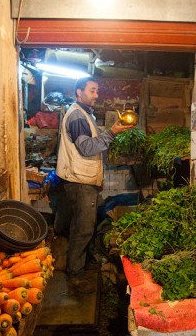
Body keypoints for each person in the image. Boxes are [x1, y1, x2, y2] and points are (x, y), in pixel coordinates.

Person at [54, 76, 135, 294]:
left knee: (80, 225)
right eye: (92, 90)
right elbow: (87, 148)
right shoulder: (78, 116)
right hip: (80, 181)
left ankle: (79, 265)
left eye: (97, 91)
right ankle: (76, 276)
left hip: (80, 179)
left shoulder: (83, 114)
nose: (96, 95)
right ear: (78, 92)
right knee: (83, 228)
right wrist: (112, 133)